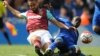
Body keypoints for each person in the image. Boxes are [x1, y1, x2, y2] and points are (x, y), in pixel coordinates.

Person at [3, 0, 69, 56]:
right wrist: (8, 6)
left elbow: (56, 22)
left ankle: (50, 53)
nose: (32, 7)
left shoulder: (45, 12)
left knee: (49, 50)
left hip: (45, 34)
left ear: (37, 3)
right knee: (36, 39)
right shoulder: (27, 13)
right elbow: (17, 14)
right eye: (30, 6)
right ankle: (37, 48)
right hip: (33, 33)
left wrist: (67, 28)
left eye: (33, 5)